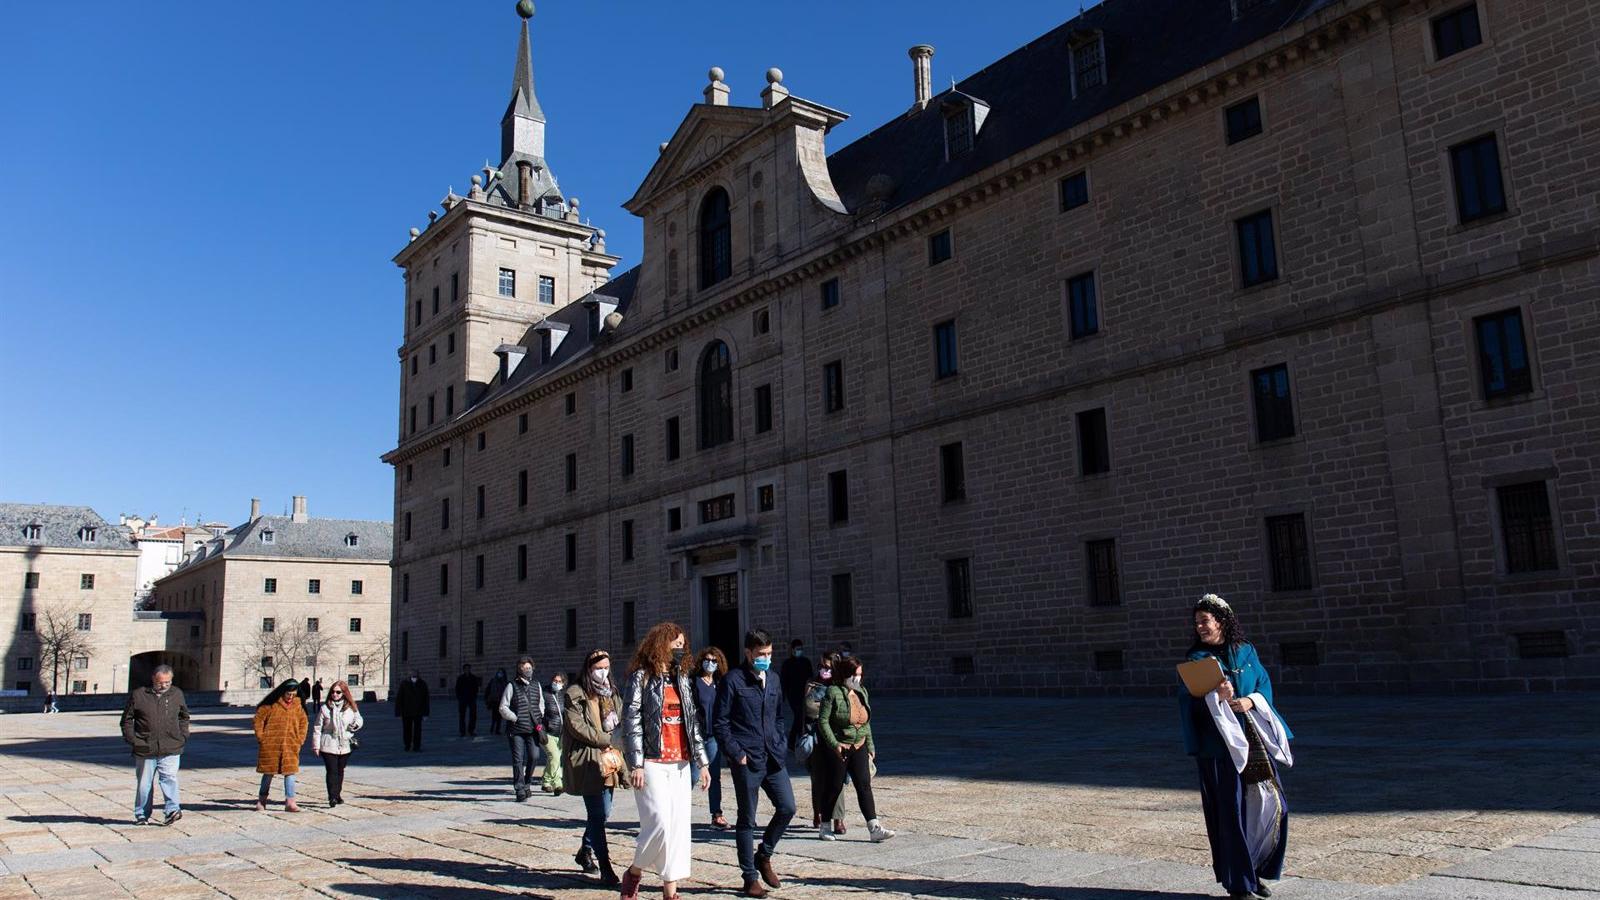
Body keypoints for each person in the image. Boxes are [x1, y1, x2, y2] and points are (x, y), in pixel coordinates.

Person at [1179, 594, 1294, 900]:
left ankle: (1255, 871)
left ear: (1222, 621)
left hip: (1254, 741)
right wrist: (1215, 696)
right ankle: (1239, 884)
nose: (1200, 627)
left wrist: (1249, 700)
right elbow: (1189, 703)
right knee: (1231, 813)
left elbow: (1263, 686)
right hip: (1220, 749)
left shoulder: (1246, 651)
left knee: (1271, 805)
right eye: (1197, 622)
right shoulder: (1196, 659)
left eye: (1205, 620)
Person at [619, 624, 711, 900]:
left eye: (683, 644)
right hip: (652, 761)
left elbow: (692, 722)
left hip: (681, 762)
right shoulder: (640, 678)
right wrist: (635, 763)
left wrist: (702, 762)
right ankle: (635, 871)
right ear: (661, 645)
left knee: (678, 826)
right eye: (676, 644)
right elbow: (631, 720)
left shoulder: (682, 678)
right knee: (658, 822)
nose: (681, 649)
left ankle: (670, 891)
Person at [714, 629, 797, 898]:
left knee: (787, 807)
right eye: (761, 654)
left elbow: (779, 716)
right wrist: (736, 752)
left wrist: (781, 742)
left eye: (769, 654)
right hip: (747, 759)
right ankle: (749, 877)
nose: (766, 658)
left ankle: (765, 854)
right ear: (748, 652)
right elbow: (721, 723)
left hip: (773, 756)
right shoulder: (733, 681)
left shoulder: (773, 679)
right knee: (746, 819)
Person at [815, 656, 895, 842]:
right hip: (840, 747)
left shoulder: (862, 692)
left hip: (859, 745)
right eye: (855, 674)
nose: (858, 678)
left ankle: (874, 827)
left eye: (860, 674)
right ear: (845, 674)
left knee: (864, 785)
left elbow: (865, 722)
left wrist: (870, 746)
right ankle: (825, 825)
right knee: (834, 787)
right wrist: (834, 744)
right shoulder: (833, 692)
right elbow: (823, 721)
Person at [564, 649, 625, 888]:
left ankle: (585, 849)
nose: (604, 671)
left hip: (609, 760)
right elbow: (577, 727)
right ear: (589, 669)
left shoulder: (612, 692)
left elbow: (621, 717)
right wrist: (606, 738)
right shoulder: (575, 693)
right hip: (588, 760)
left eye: (607, 667)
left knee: (604, 812)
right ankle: (606, 868)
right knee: (598, 814)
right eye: (599, 667)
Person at [119, 664, 190, 825]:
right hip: (145, 747)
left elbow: (184, 716)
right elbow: (127, 720)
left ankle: (172, 810)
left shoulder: (176, 694)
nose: (164, 685)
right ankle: (142, 814)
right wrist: (133, 740)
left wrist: (183, 735)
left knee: (169, 778)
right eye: (160, 683)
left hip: (171, 746)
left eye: (167, 682)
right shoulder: (139, 695)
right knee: (144, 784)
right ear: (153, 679)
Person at [802, 650, 850, 835]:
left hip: (837, 738)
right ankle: (818, 813)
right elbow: (809, 709)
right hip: (816, 739)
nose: (823, 670)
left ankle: (838, 819)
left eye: (827, 667)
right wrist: (828, 710)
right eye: (821, 666)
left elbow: (845, 711)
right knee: (818, 778)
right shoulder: (812, 684)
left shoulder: (841, 686)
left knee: (838, 779)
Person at [253, 679, 309, 812]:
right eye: (288, 694)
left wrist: (300, 739)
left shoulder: (298, 706)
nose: (290, 697)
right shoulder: (271, 704)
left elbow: (304, 723)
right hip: (271, 744)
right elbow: (258, 720)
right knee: (268, 773)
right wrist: (261, 737)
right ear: (283, 692)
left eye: (293, 695)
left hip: (290, 745)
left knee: (290, 773)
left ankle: (290, 802)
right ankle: (262, 800)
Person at [691, 646, 730, 829]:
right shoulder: (694, 682)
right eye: (707, 659)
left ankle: (717, 814)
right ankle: (678, 810)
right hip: (696, 736)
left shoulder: (720, 684)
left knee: (714, 776)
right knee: (692, 775)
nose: (711, 663)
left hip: (713, 736)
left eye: (714, 661)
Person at [499, 656, 546, 801]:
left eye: (529, 667)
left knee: (534, 756)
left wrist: (540, 715)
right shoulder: (511, 685)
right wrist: (515, 718)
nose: (528, 670)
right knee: (518, 759)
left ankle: (527, 782)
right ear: (519, 669)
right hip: (516, 730)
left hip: (532, 729)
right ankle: (519, 788)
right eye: (524, 668)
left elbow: (541, 703)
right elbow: (503, 707)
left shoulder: (536, 684)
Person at [311, 679, 363, 807]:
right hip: (328, 742)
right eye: (333, 692)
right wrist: (316, 746)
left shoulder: (350, 707)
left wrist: (354, 726)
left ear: (344, 693)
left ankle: (337, 794)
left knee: (340, 770)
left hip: (344, 743)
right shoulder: (325, 708)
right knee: (332, 770)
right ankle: (332, 797)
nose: (335, 694)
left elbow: (359, 719)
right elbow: (317, 728)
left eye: (338, 692)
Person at [779, 638, 813, 751]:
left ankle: (794, 741)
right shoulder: (787, 664)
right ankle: (797, 740)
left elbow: (810, 677)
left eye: (801, 649)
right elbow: (784, 681)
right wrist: (782, 696)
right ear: (792, 649)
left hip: (805, 694)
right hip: (793, 695)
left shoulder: (806, 662)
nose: (799, 651)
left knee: (800, 717)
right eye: (797, 649)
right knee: (799, 716)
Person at [541, 671, 567, 795]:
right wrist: (540, 729)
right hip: (548, 732)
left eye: (559, 681)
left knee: (554, 759)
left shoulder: (562, 696)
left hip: (560, 733)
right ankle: (558, 784)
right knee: (555, 757)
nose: (557, 683)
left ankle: (546, 781)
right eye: (555, 681)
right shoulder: (545, 694)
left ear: (563, 683)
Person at [396, 670, 430, 751]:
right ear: (410, 674)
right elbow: (399, 698)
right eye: (412, 673)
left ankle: (416, 746)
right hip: (406, 711)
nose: (414, 674)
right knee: (407, 729)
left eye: (415, 673)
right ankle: (407, 745)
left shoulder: (422, 684)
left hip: (418, 711)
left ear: (418, 674)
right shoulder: (404, 684)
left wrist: (426, 713)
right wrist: (398, 712)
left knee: (417, 730)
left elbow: (426, 699)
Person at [456, 664, 483, 738]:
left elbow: (476, 688)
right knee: (462, 716)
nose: (467, 670)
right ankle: (462, 731)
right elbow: (457, 688)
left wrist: (474, 696)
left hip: (471, 699)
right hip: (463, 699)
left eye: (468, 668)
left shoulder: (473, 678)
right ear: (464, 670)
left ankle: (471, 730)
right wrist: (459, 697)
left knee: (473, 715)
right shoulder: (460, 678)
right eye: (466, 668)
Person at [485, 668, 509, 736]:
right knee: (494, 715)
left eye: (501, 673)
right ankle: (492, 727)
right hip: (494, 700)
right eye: (499, 672)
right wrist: (487, 699)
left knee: (499, 716)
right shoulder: (493, 681)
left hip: (501, 701)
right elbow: (488, 690)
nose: (500, 674)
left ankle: (497, 730)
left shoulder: (505, 682)